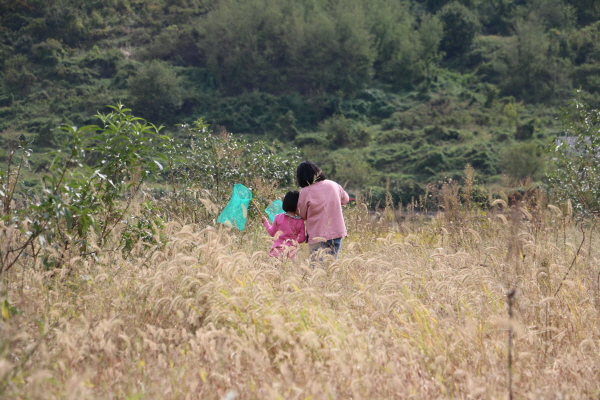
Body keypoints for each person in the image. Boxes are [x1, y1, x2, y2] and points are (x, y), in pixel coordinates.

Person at [296, 160, 349, 259]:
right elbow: (345, 200)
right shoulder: (333, 184)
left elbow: (301, 215)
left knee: (317, 267)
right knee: (332, 265)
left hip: (317, 235)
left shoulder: (305, 191)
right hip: (336, 232)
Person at [262, 191, 306, 259]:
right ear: (298, 205)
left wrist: (265, 222)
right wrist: (293, 240)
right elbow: (302, 239)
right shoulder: (300, 221)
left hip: (275, 253)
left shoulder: (278, 217)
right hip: (290, 254)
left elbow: (272, 233)